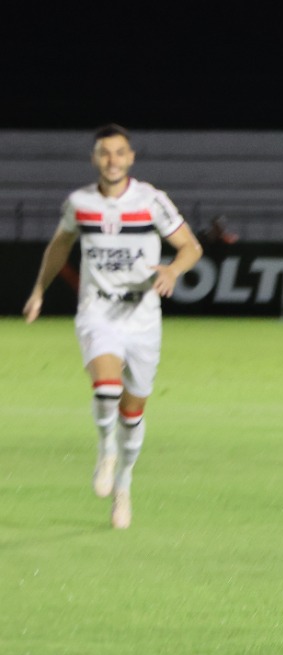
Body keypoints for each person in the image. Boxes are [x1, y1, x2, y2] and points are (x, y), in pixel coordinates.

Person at [22, 124, 202, 529]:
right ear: (94, 158)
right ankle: (106, 451)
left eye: (120, 153)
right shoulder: (80, 203)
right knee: (107, 388)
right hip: (97, 310)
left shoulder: (151, 201)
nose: (112, 160)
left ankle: (123, 486)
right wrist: (38, 290)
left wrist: (172, 271)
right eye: (105, 153)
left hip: (142, 318)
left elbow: (191, 246)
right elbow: (60, 246)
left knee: (133, 410)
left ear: (131, 158)